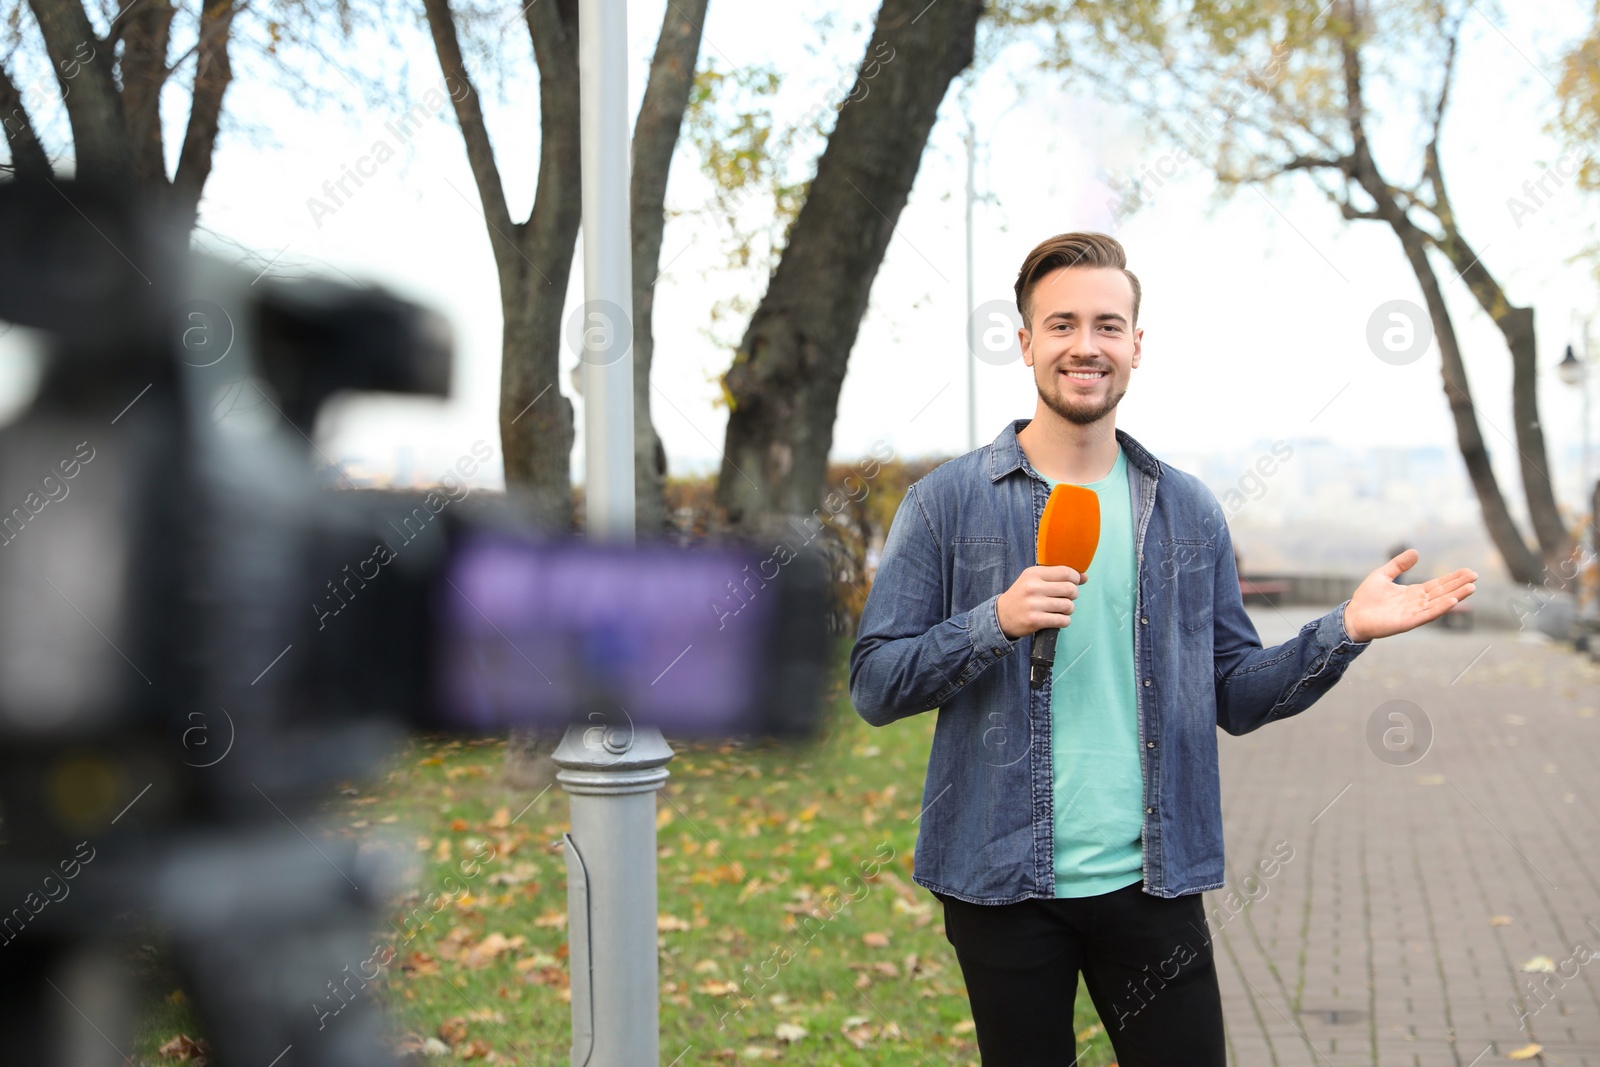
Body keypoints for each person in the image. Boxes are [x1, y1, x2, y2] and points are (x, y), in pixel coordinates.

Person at [847, 232, 1478, 1066]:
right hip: (999, 883)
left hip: (1153, 878)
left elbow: (1237, 694)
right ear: (1025, 339)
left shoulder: (1187, 510)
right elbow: (875, 683)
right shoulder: (945, 503)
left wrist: (1345, 631)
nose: (1086, 344)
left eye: (1108, 325)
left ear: (1136, 346)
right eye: (1062, 323)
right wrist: (993, 619)